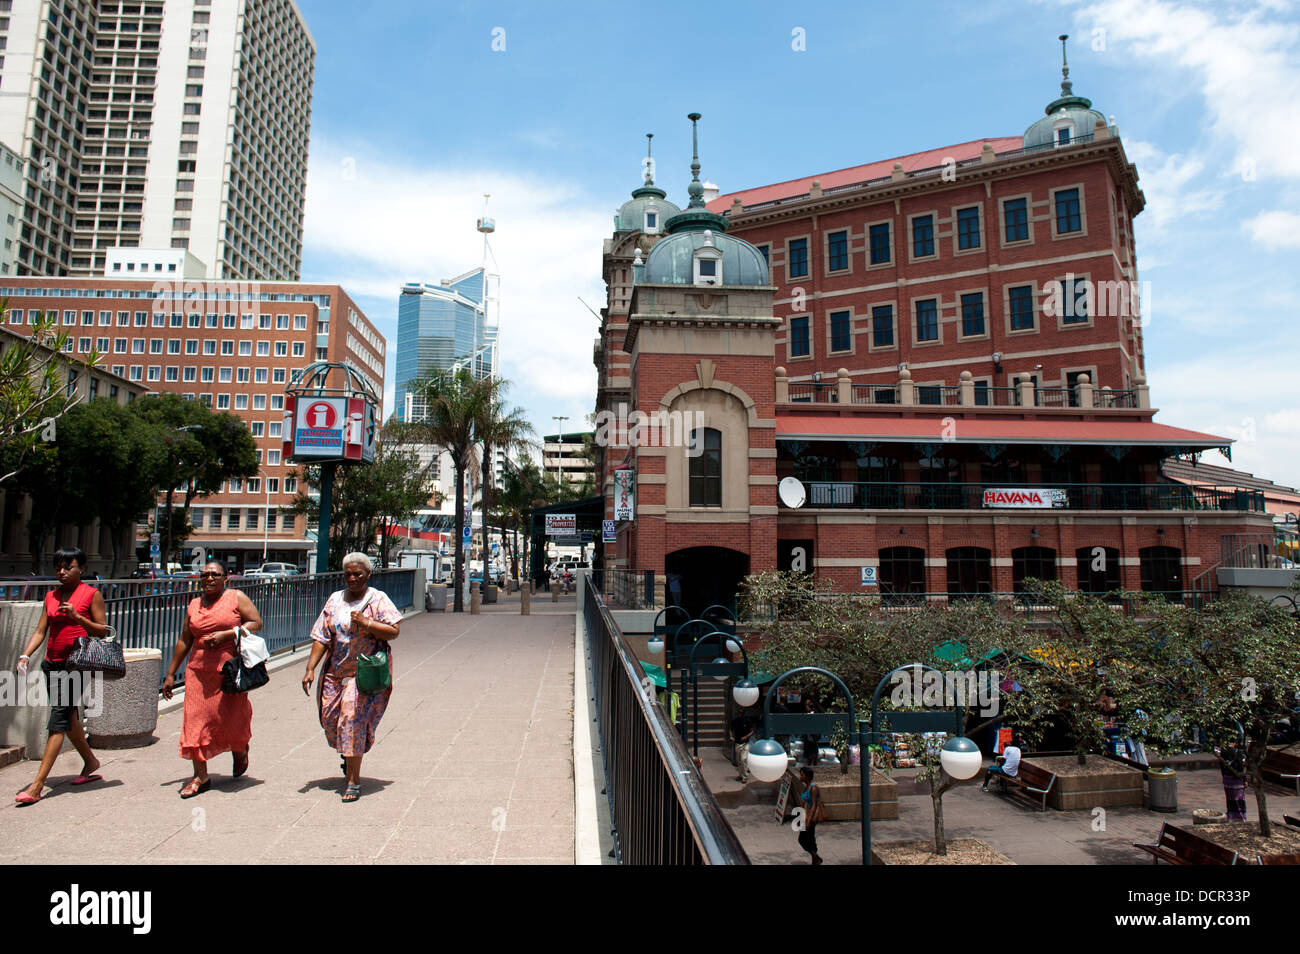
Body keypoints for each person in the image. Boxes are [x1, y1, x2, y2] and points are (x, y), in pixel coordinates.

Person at [301, 552, 403, 803]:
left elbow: (394, 631)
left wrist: (367, 623)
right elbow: (322, 636)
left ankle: (353, 781)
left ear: (368, 575)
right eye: (348, 574)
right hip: (335, 673)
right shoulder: (335, 600)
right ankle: (349, 758)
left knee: (351, 720)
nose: (353, 578)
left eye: (358, 574)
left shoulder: (377, 599)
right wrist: (310, 668)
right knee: (330, 721)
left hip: (364, 674)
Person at [14, 548, 109, 805]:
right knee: (67, 717)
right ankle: (90, 761)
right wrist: (25, 655)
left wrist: (78, 617)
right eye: (59, 567)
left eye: (68, 567)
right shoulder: (51, 597)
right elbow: (40, 630)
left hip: (77, 666)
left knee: (58, 720)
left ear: (82, 570)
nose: (62, 572)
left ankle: (37, 785)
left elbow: (104, 631)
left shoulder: (91, 595)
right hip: (51, 664)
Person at [162, 561, 263, 798]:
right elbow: (185, 639)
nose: (209, 578)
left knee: (231, 718)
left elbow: (256, 623)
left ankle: (239, 749)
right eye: (205, 574)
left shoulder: (236, 597)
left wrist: (227, 634)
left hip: (229, 670)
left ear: (224, 578)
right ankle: (200, 776)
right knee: (194, 720)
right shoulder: (194, 604)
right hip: (197, 672)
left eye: (214, 575)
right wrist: (170, 673)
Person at [797, 766, 824, 865]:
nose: (800, 776)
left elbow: (814, 804)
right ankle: (815, 857)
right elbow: (804, 804)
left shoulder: (813, 788)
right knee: (804, 839)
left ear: (807, 776)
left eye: (802, 774)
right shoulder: (806, 788)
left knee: (807, 838)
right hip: (805, 817)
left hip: (811, 818)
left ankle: (816, 858)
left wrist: (808, 820)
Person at [1220, 744, 1247, 822]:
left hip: (1228, 779)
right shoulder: (1237, 752)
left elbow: (1222, 766)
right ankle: (1239, 818)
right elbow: (1242, 767)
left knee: (1231, 800)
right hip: (1236, 780)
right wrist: (1245, 780)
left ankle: (1232, 817)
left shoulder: (1224, 751)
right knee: (1237, 801)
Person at [731, 707, 759, 782]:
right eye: (739, 713)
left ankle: (745, 776)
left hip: (745, 742)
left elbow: (752, 731)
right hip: (737, 742)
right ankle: (740, 775)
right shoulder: (735, 721)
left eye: (741, 713)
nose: (740, 714)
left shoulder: (747, 721)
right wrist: (731, 736)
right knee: (739, 760)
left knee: (743, 759)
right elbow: (731, 729)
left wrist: (746, 736)